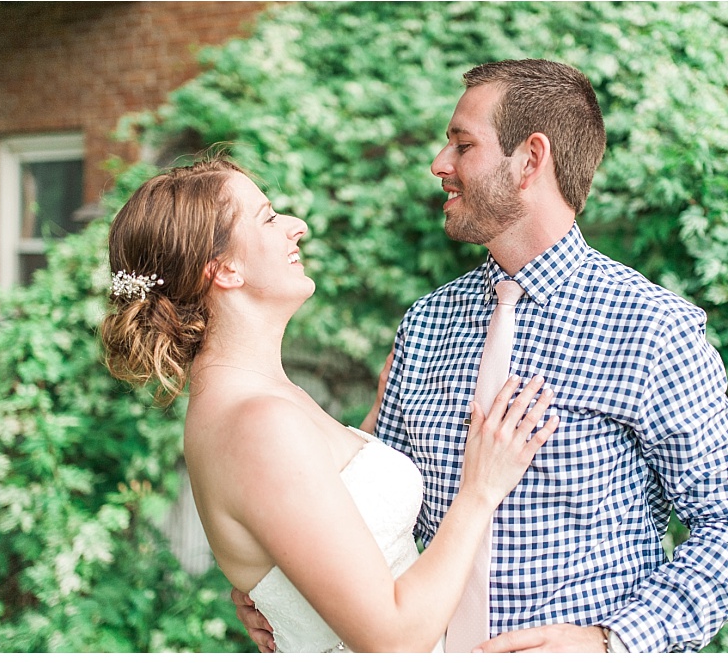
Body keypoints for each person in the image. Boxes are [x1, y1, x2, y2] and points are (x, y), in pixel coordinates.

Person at [235, 58, 728, 653]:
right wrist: (284, 585)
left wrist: (610, 643)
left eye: (462, 145)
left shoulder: (651, 329)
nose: (439, 164)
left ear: (529, 160)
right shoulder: (426, 323)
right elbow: (378, 510)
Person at [100, 156, 559, 653]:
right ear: (225, 270)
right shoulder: (257, 425)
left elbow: (330, 508)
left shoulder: (261, 400)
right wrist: (480, 490)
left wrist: (378, 417)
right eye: (269, 217)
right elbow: (395, 639)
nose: (297, 227)